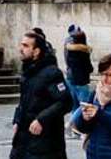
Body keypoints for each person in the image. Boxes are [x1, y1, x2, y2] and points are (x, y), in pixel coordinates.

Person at [11, 28, 75, 159]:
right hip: (24, 139)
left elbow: (66, 102)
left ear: (36, 51)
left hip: (45, 142)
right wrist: (17, 120)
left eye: (25, 46)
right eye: (21, 44)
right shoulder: (27, 73)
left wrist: (41, 119)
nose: (21, 49)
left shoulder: (51, 73)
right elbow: (23, 102)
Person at [65, 28, 95, 105]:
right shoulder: (84, 53)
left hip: (70, 78)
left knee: (74, 105)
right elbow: (89, 68)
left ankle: (73, 116)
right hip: (81, 81)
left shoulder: (69, 51)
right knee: (84, 105)